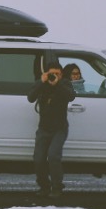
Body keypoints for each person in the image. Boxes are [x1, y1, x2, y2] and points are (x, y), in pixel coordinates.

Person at [28, 61, 76, 197]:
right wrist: (40, 82)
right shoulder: (42, 83)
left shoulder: (64, 83)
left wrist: (58, 83)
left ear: (61, 74)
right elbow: (30, 98)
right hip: (44, 128)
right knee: (38, 158)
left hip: (59, 128)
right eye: (52, 74)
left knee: (53, 155)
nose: (54, 76)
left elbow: (71, 96)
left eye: (57, 74)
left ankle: (57, 187)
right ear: (46, 73)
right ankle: (44, 187)